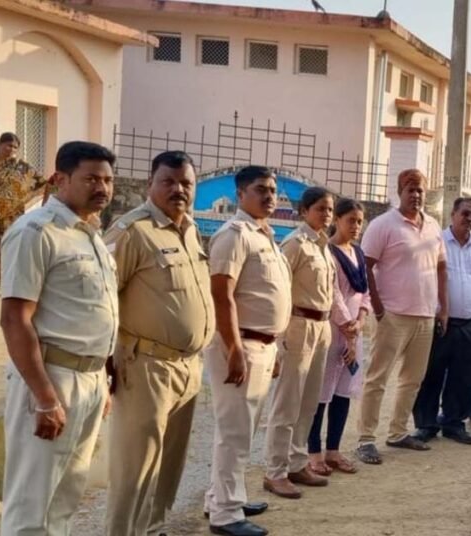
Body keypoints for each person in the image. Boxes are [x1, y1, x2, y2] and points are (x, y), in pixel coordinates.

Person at [0, 141, 117, 535]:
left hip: (90, 380)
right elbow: (14, 319)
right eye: (91, 179)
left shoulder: (90, 235)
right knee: (31, 505)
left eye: (108, 180)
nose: (102, 188)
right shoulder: (35, 232)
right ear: (59, 179)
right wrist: (45, 398)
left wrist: (102, 381)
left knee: (66, 496)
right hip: (52, 378)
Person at [103, 151, 214, 535]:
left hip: (188, 367)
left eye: (186, 183)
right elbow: (103, 299)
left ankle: (153, 529)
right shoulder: (132, 231)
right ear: (150, 184)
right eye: (168, 181)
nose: (178, 189)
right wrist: (107, 364)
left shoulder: (191, 230)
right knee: (135, 469)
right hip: (146, 367)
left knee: (168, 468)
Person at [203, 165, 292, 536]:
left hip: (263, 345)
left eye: (272, 190)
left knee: (244, 429)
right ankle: (226, 514)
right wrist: (233, 348)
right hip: (240, 343)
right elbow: (221, 295)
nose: (269, 196)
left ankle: (222, 497)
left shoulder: (265, 235)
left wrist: (275, 349)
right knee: (234, 433)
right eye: (260, 189)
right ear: (240, 194)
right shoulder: (234, 234)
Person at [356, 168, 447, 464]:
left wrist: (443, 308)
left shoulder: (433, 226)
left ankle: (397, 432)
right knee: (377, 379)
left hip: (425, 316)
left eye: (420, 189)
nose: (416, 195)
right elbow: (365, 265)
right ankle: (366, 439)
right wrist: (377, 307)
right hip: (392, 316)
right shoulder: (383, 225)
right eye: (410, 189)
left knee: (412, 379)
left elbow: (441, 268)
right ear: (399, 192)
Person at [263, 187, 335, 499]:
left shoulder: (323, 246)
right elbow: (279, 289)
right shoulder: (295, 244)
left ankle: (296, 462)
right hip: (298, 325)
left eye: (330, 209)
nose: (326, 214)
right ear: (304, 211)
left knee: (309, 402)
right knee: (288, 402)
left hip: (322, 325)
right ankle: (275, 471)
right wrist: (278, 338)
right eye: (320, 208)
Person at [412, 196, 471, 445]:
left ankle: (454, 423)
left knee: (463, 376)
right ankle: (426, 424)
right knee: (431, 374)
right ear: (453, 214)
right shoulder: (436, 242)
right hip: (440, 321)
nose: (469, 218)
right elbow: (423, 278)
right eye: (465, 213)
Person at [307, 198, 370, 475]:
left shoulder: (358, 253)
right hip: (333, 331)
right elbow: (332, 294)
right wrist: (348, 326)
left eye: (359, 221)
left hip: (355, 330)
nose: (356, 226)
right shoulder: (328, 252)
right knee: (321, 393)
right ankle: (313, 453)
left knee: (343, 391)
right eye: (350, 220)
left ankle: (333, 450)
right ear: (337, 221)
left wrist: (361, 321)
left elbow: (364, 293)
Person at [0, 131, 45, 290]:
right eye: (9, 145)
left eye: (15, 147)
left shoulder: (22, 167)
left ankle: (2, 283)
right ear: (0, 144)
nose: (12, 149)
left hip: (11, 216)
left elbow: (42, 183)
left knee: (8, 246)